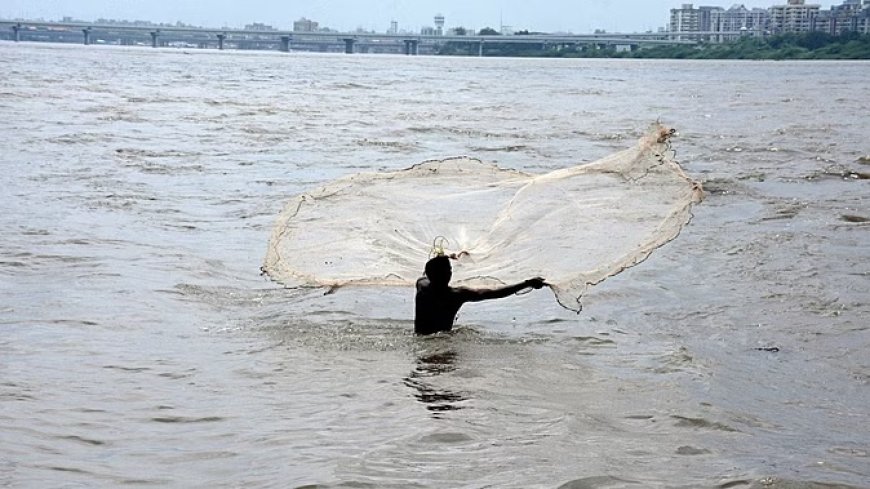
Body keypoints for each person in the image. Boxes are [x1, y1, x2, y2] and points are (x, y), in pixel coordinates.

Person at [414, 254, 546, 335]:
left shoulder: (422, 285)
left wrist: (444, 257)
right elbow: (495, 293)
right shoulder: (455, 295)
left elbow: (427, 272)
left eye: (449, 270)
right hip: (442, 340)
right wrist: (527, 283)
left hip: (419, 338)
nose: (449, 273)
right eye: (446, 271)